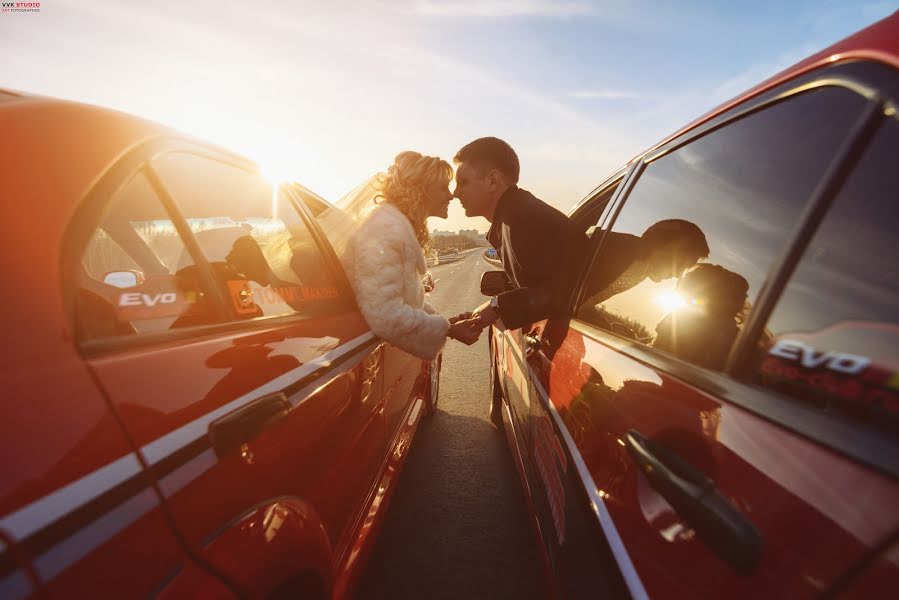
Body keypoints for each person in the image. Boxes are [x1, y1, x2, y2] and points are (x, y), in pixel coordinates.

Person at [342, 151, 480, 360]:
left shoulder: (393, 226)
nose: (451, 196)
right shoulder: (386, 230)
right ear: (421, 190)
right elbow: (385, 314)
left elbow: (400, 300)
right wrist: (448, 330)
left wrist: (447, 323)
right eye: (443, 187)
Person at [452, 137, 587, 331]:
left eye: (462, 182)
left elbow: (561, 292)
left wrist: (496, 306)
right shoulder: (515, 216)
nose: (455, 193)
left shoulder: (524, 220)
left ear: (492, 180)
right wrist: (481, 314)